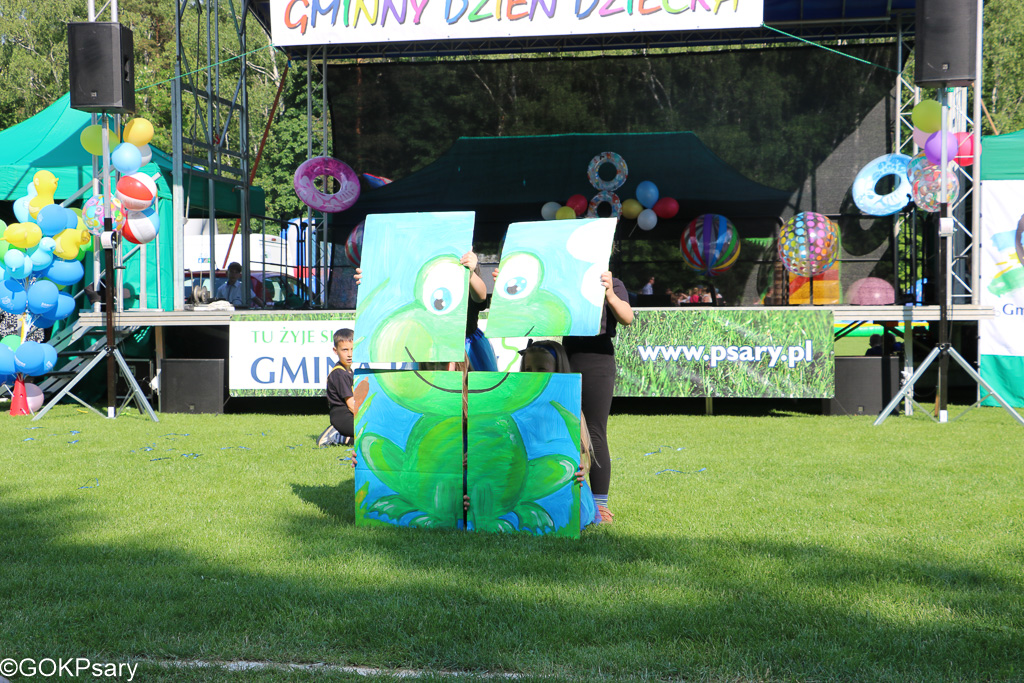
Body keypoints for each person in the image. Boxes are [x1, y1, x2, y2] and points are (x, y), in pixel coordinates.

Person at [562, 271, 634, 524]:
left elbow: (627, 317)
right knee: (565, 429)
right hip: (565, 356)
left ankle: (600, 505)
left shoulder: (614, 283)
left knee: (594, 432)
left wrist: (610, 294)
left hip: (597, 359)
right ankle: (566, 499)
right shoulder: (566, 278)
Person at [519, 339, 600, 530]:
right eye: (528, 369)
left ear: (558, 371)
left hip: (560, 483)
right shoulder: (518, 409)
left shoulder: (569, 410)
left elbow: (582, 455)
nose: (534, 375)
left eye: (541, 369)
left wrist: (581, 471)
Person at [317, 328, 355, 447]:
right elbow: (351, 405)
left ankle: (342, 437)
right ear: (335, 350)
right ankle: (335, 435)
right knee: (372, 432)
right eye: (345, 350)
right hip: (343, 419)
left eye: (352, 349)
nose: (349, 354)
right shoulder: (339, 374)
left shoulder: (349, 372)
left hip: (349, 416)